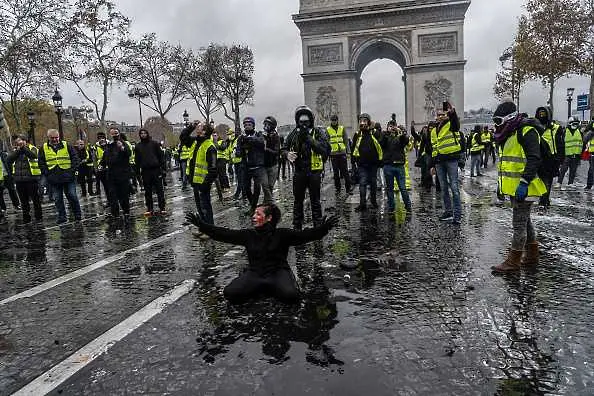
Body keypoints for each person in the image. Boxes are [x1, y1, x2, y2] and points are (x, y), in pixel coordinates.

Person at [185, 204, 338, 304]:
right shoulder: (248, 235)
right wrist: (202, 225)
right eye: (254, 213)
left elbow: (305, 236)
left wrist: (323, 229)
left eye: (258, 214)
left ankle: (273, 286)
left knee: (292, 296)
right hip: (256, 273)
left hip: (277, 272)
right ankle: (261, 286)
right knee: (230, 293)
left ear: (269, 218)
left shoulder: (282, 234)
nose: (253, 216)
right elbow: (225, 234)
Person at [491, 100, 547, 273]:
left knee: (518, 224)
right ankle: (531, 256)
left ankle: (513, 261)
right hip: (515, 188)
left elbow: (534, 158)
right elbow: (506, 165)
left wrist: (523, 182)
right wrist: (501, 187)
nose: (496, 126)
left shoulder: (526, 132)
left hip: (526, 187)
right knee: (526, 222)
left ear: (510, 118)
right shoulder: (509, 134)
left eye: (499, 121)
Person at [282, 106, 331, 229]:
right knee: (298, 201)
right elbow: (283, 148)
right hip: (299, 171)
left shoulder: (318, 132)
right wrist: (287, 154)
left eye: (306, 122)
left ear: (311, 121)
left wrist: (308, 138)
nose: (304, 124)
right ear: (297, 121)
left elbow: (323, 150)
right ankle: (297, 226)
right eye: (301, 122)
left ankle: (318, 225)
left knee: (315, 200)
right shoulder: (293, 133)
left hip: (314, 171)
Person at [38, 129, 82, 224]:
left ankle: (77, 214)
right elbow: (41, 163)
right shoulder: (43, 148)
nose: (54, 139)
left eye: (56, 137)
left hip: (68, 176)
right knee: (58, 199)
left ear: (59, 137)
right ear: (48, 138)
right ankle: (62, 216)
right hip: (53, 178)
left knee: (72, 195)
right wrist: (47, 174)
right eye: (52, 138)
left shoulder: (67, 145)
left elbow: (75, 159)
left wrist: (71, 171)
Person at [430, 102, 463, 224]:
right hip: (439, 162)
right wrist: (433, 165)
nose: (439, 116)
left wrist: (452, 112)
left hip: (451, 159)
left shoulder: (451, 123)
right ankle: (448, 212)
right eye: (438, 115)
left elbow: (456, 124)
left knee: (454, 187)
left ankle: (457, 215)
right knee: (444, 189)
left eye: (442, 114)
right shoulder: (434, 130)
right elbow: (434, 148)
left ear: (447, 115)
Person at [181, 122, 217, 225]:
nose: (198, 127)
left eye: (200, 126)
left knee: (205, 206)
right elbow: (183, 137)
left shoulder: (210, 147)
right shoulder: (195, 142)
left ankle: (210, 228)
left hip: (203, 183)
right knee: (200, 207)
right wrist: (191, 126)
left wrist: (206, 183)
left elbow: (213, 169)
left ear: (204, 131)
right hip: (195, 181)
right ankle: (204, 228)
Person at [6, 135, 42, 222]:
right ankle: (26, 218)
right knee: (23, 201)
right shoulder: (16, 151)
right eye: (17, 142)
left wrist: (23, 148)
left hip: (31, 179)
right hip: (19, 180)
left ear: (25, 141)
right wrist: (18, 151)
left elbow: (33, 156)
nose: (18, 143)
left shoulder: (33, 148)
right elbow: (9, 160)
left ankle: (38, 217)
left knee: (35, 200)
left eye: (20, 141)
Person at [352, 113, 383, 212]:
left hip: (373, 164)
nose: (362, 123)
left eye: (365, 121)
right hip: (362, 164)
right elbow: (353, 148)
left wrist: (373, 129)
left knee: (373, 184)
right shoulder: (357, 134)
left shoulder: (374, 133)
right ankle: (362, 204)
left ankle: (373, 202)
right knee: (362, 183)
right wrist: (353, 163)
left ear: (369, 122)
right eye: (361, 121)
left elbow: (382, 142)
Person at [380, 119, 411, 214]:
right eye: (390, 126)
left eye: (394, 126)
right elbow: (381, 144)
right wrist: (385, 134)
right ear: (387, 127)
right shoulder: (385, 137)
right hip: (388, 166)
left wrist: (402, 133)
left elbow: (406, 141)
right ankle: (391, 207)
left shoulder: (400, 137)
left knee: (402, 188)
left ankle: (408, 206)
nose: (392, 128)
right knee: (389, 188)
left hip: (399, 165)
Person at [534, 106, 563, 207]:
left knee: (547, 181)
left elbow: (560, 145)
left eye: (544, 114)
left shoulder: (556, 128)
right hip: (537, 157)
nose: (541, 116)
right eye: (540, 114)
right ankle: (544, 199)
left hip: (551, 159)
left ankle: (544, 200)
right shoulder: (535, 127)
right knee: (540, 180)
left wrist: (559, 159)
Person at [236, 116, 266, 212]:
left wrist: (250, 140)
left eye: (249, 125)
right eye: (246, 125)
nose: (247, 126)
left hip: (257, 165)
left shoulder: (258, 134)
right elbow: (238, 151)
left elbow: (261, 142)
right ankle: (253, 203)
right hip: (246, 166)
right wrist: (239, 150)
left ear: (253, 126)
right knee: (246, 188)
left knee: (257, 187)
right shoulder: (241, 137)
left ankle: (253, 208)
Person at [101, 127, 132, 219]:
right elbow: (105, 157)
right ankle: (115, 213)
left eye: (116, 133)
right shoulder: (109, 145)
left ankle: (126, 211)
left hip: (122, 173)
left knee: (124, 195)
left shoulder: (123, 143)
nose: (114, 135)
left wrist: (122, 148)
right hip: (111, 175)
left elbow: (128, 153)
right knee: (112, 195)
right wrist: (101, 165)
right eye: (112, 134)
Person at [135, 128, 166, 215]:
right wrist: (137, 172)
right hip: (145, 171)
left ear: (147, 134)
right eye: (141, 134)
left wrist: (163, 169)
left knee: (160, 190)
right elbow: (137, 160)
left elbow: (161, 156)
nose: (143, 135)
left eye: (145, 133)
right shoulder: (138, 146)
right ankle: (149, 208)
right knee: (147, 191)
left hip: (155, 169)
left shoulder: (154, 144)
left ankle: (162, 207)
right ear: (140, 135)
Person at [326, 115, 352, 194]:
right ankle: (338, 189)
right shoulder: (328, 129)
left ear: (337, 120)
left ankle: (348, 188)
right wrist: (327, 153)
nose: (334, 121)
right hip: (333, 154)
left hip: (342, 153)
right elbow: (326, 142)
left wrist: (348, 151)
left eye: (335, 120)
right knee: (336, 173)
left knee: (345, 172)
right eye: (332, 120)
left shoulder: (342, 128)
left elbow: (346, 140)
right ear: (331, 121)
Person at [557, 116, 582, 186]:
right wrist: (561, 156)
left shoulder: (579, 132)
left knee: (573, 170)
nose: (575, 125)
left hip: (576, 155)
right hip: (567, 155)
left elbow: (582, 143)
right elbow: (561, 144)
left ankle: (570, 183)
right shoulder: (565, 132)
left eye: (576, 124)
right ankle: (559, 182)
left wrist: (580, 154)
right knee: (563, 169)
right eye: (573, 123)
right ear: (569, 123)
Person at [262, 116, 280, 203]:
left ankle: (267, 203)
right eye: (265, 124)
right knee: (265, 185)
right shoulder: (262, 135)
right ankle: (270, 202)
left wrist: (266, 149)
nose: (266, 126)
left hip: (273, 165)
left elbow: (276, 151)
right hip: (263, 165)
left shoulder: (276, 137)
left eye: (268, 124)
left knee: (270, 186)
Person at [584, 117, 594, 190]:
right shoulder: (591, 129)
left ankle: (589, 185)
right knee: (591, 169)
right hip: (592, 152)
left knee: (591, 169)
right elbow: (585, 138)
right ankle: (589, 185)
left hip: (592, 152)